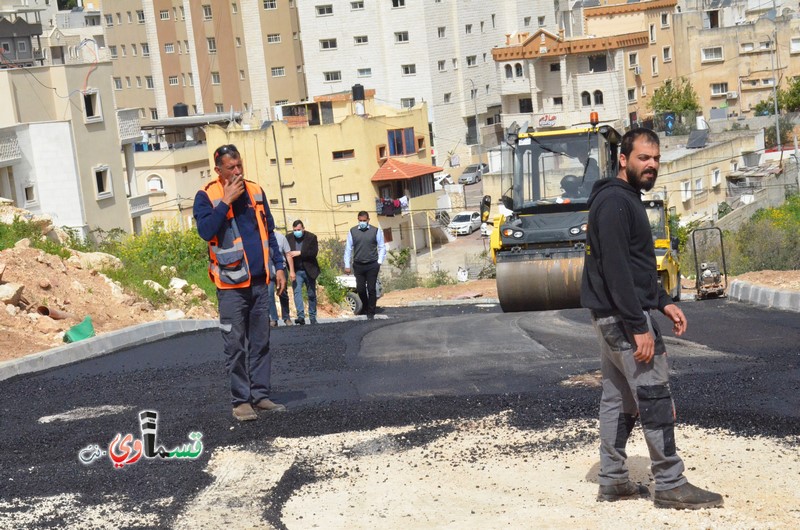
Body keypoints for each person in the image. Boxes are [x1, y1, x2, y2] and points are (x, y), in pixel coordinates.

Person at [580, 128, 723, 509]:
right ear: (623, 160)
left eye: (656, 158)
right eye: (644, 158)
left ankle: (612, 479)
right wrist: (639, 325)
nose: (652, 165)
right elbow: (615, 270)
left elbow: (637, 265)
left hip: (611, 317)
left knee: (618, 398)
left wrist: (662, 302)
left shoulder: (625, 200)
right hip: (623, 319)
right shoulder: (614, 203)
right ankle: (671, 483)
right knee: (654, 395)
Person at [193, 144, 288, 422]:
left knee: (261, 342)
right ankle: (241, 401)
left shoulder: (256, 191)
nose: (237, 172)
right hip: (231, 285)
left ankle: (260, 395)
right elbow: (206, 230)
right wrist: (225, 201)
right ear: (218, 170)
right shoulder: (207, 195)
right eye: (231, 168)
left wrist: (279, 266)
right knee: (235, 345)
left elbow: (269, 231)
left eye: (239, 166)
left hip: (260, 282)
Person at [343, 211, 386, 320]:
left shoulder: (375, 231)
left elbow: (382, 247)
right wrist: (347, 265)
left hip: (372, 264)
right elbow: (348, 249)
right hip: (358, 265)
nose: (362, 222)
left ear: (368, 220)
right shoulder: (352, 231)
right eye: (360, 220)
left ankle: (371, 312)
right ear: (358, 220)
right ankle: (366, 306)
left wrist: (379, 262)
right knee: (360, 289)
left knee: (371, 289)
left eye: (364, 220)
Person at [286, 220, 320, 325]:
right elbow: (287, 253)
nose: (297, 232)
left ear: (303, 229)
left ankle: (312, 317)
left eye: (299, 230)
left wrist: (300, 253)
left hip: (309, 270)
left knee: (311, 294)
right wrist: (291, 271)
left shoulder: (311, 237)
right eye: (295, 230)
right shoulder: (288, 238)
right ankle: (300, 316)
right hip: (296, 270)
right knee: (297, 293)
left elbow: (313, 252)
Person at [269, 230, 295, 327]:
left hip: (281, 268)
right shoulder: (260, 238)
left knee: (283, 293)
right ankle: (273, 318)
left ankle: (286, 317)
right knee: (269, 293)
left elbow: (288, 254)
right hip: (268, 270)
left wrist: (292, 271)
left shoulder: (281, 237)